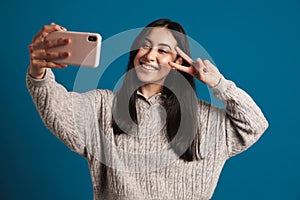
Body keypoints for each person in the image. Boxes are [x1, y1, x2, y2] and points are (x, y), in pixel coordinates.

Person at [27, 19, 268, 200]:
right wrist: (38, 71)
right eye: (144, 46)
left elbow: (255, 124)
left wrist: (219, 84)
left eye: (163, 50)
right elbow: (56, 108)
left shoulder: (205, 119)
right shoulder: (102, 107)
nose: (150, 55)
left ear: (179, 62)